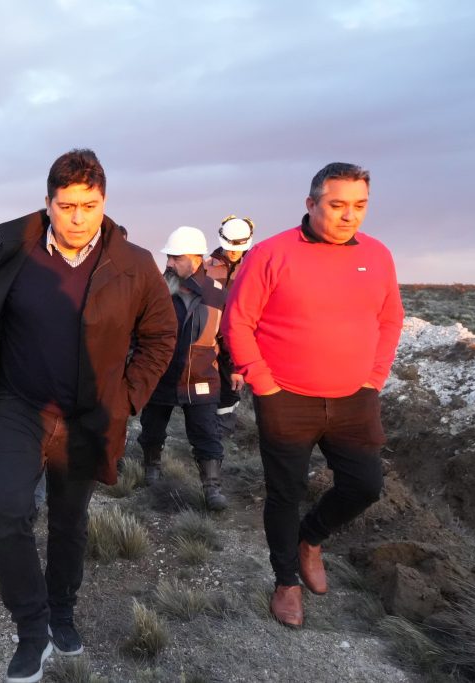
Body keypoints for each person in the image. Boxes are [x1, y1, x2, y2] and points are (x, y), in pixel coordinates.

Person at [0, 149, 176, 682]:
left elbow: (161, 336)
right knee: (6, 513)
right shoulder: (16, 252)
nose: (76, 217)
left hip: (90, 416)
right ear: (48, 203)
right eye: (66, 205)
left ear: (104, 202)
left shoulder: (133, 264)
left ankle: (62, 610)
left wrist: (128, 398)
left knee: (69, 521)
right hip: (21, 408)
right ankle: (32, 627)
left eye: (88, 205)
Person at [221, 162, 403, 628]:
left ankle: (311, 539)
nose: (349, 216)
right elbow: (237, 322)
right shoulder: (270, 254)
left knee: (365, 485)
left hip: (354, 398)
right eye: (337, 205)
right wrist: (264, 382)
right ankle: (286, 582)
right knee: (286, 492)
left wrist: (375, 376)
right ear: (311, 203)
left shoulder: (378, 255)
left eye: (359, 206)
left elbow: (389, 319)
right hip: (287, 398)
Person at [137, 226, 239, 511]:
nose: (168, 262)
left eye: (174, 257)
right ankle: (151, 470)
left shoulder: (217, 293)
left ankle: (212, 489)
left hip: (202, 376)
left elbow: (227, 334)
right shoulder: (158, 288)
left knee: (206, 434)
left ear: (194, 258)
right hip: (161, 374)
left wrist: (234, 368)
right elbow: (139, 330)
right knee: (152, 428)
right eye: (168, 257)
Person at [206, 215, 255, 439]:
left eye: (239, 247)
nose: (234, 251)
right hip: (210, 339)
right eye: (230, 247)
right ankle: (207, 437)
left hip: (241, 338)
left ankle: (221, 438)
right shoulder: (207, 268)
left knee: (230, 392)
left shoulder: (255, 266)